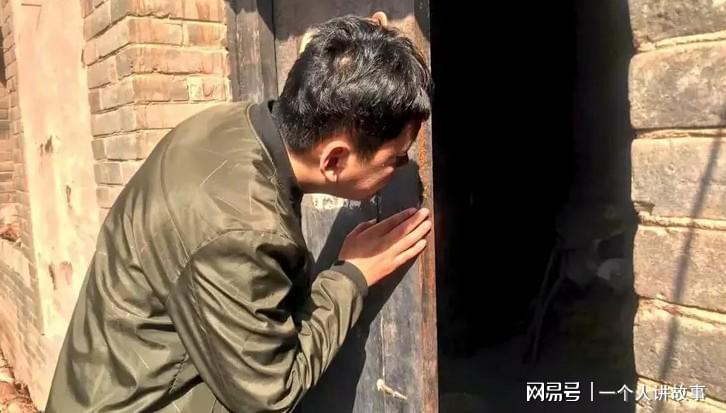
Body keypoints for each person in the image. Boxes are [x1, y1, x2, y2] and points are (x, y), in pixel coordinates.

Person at [45, 13, 433, 413]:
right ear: (334, 160)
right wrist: (351, 277)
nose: (402, 168)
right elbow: (271, 395)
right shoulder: (240, 230)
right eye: (395, 158)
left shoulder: (230, 124)